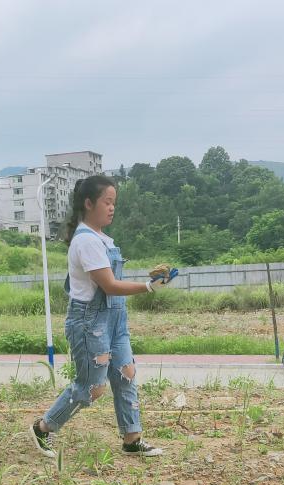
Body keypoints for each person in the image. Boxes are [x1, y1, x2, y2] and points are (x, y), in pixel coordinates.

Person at [29, 175, 175, 460]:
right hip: (90, 323)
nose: (112, 208)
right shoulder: (86, 242)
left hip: (115, 318)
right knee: (92, 389)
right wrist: (147, 288)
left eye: (114, 203)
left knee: (125, 375)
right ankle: (43, 427)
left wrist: (151, 281)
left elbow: (112, 289)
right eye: (107, 202)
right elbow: (108, 285)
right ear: (88, 203)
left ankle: (132, 439)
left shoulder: (104, 240)